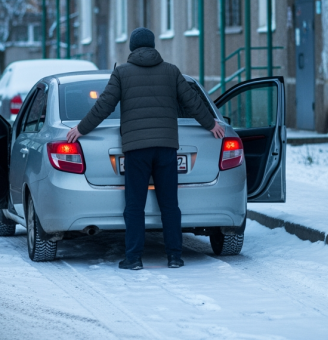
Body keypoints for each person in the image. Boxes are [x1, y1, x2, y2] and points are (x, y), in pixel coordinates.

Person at [66, 27, 224, 270]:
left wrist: (81, 129)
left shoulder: (122, 73)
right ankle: (174, 256)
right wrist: (210, 123)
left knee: (135, 205)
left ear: (132, 48)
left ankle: (134, 258)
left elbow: (104, 106)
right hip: (166, 147)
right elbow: (191, 101)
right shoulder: (171, 71)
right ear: (153, 46)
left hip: (137, 149)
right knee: (170, 204)